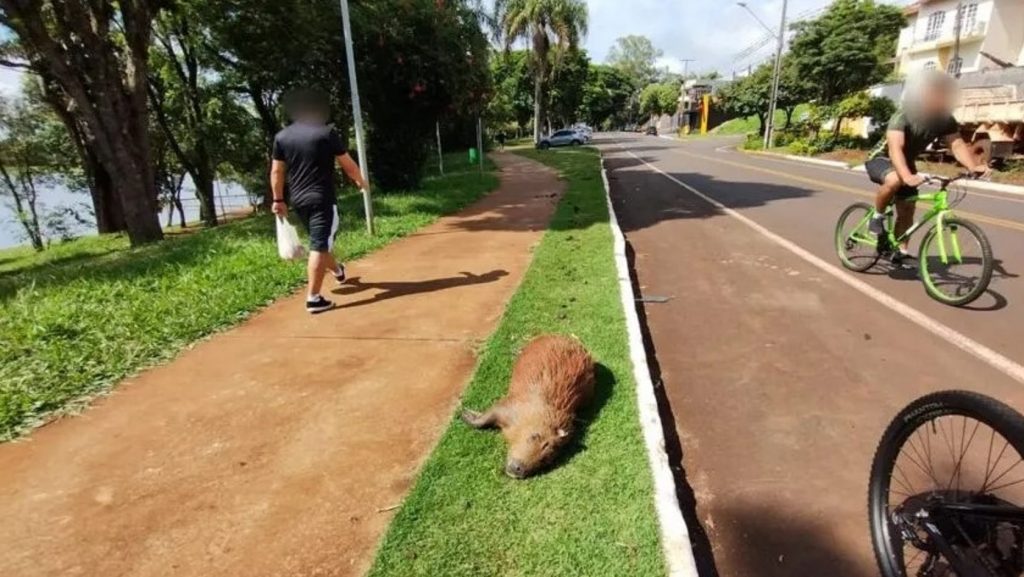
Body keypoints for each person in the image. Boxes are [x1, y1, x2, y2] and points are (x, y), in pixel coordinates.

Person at [865, 70, 989, 261]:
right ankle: (877, 217)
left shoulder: (945, 120)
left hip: (907, 163)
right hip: (882, 159)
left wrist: (973, 166)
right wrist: (906, 176)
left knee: (907, 211)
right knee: (894, 180)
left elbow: (956, 145)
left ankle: (901, 252)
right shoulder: (904, 114)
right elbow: (895, 149)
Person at [270, 89, 368, 314]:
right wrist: (361, 181)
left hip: (299, 201)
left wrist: (278, 199)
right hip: (322, 198)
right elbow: (347, 164)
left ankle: (338, 270)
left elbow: (277, 171)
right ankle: (313, 298)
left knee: (319, 241)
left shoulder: (282, 137)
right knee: (319, 245)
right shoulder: (326, 134)